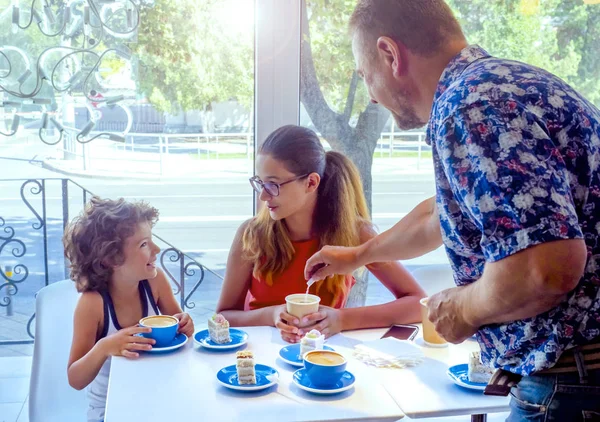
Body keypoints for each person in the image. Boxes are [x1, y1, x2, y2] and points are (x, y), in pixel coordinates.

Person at [304, 1, 600, 420]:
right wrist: (356, 256)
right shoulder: (504, 83)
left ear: (391, 55)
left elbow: (547, 266)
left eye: (364, 74)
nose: (370, 94)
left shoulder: (471, 106)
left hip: (574, 384)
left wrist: (462, 309)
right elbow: (441, 215)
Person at [216, 125, 425, 342]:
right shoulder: (251, 234)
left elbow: (418, 303)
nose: (263, 196)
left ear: (311, 182)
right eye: (260, 183)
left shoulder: (355, 234)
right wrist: (272, 314)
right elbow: (223, 316)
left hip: (321, 358)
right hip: (257, 360)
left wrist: (342, 319)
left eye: (273, 184)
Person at [65, 197, 194, 422]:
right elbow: (75, 378)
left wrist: (184, 323)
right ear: (111, 258)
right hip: (111, 410)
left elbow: (179, 327)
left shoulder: (155, 282)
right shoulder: (92, 304)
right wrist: (105, 347)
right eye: (144, 244)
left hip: (156, 399)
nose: (157, 249)